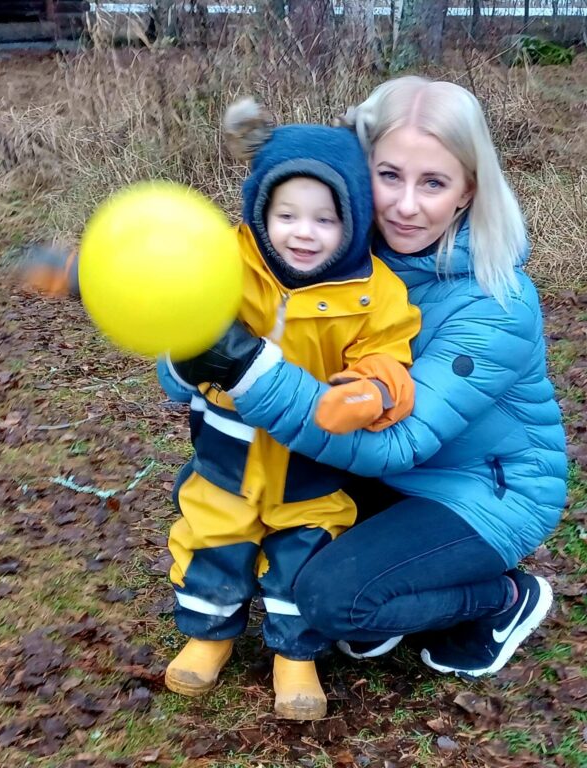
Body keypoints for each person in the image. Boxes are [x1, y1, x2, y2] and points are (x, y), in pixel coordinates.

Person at [169, 76, 568, 680]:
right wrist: (192, 350)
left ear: (467, 192)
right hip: (372, 477)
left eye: (433, 182)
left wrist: (248, 368)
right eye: (389, 176)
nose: (406, 206)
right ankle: (392, 585)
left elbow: (395, 440)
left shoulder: (495, 304)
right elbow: (193, 364)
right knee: (246, 500)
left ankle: (502, 600)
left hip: (478, 491)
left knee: (330, 599)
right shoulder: (331, 257)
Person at [159, 99, 420, 720]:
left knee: (304, 554)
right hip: (225, 455)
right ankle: (208, 635)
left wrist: (373, 391)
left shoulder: (373, 291)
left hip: (309, 463)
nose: (305, 232)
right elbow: (160, 289)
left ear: (355, 221)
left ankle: (295, 656)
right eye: (288, 215)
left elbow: (390, 354)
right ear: (259, 212)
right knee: (211, 543)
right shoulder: (225, 262)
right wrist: (91, 277)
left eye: (326, 220)